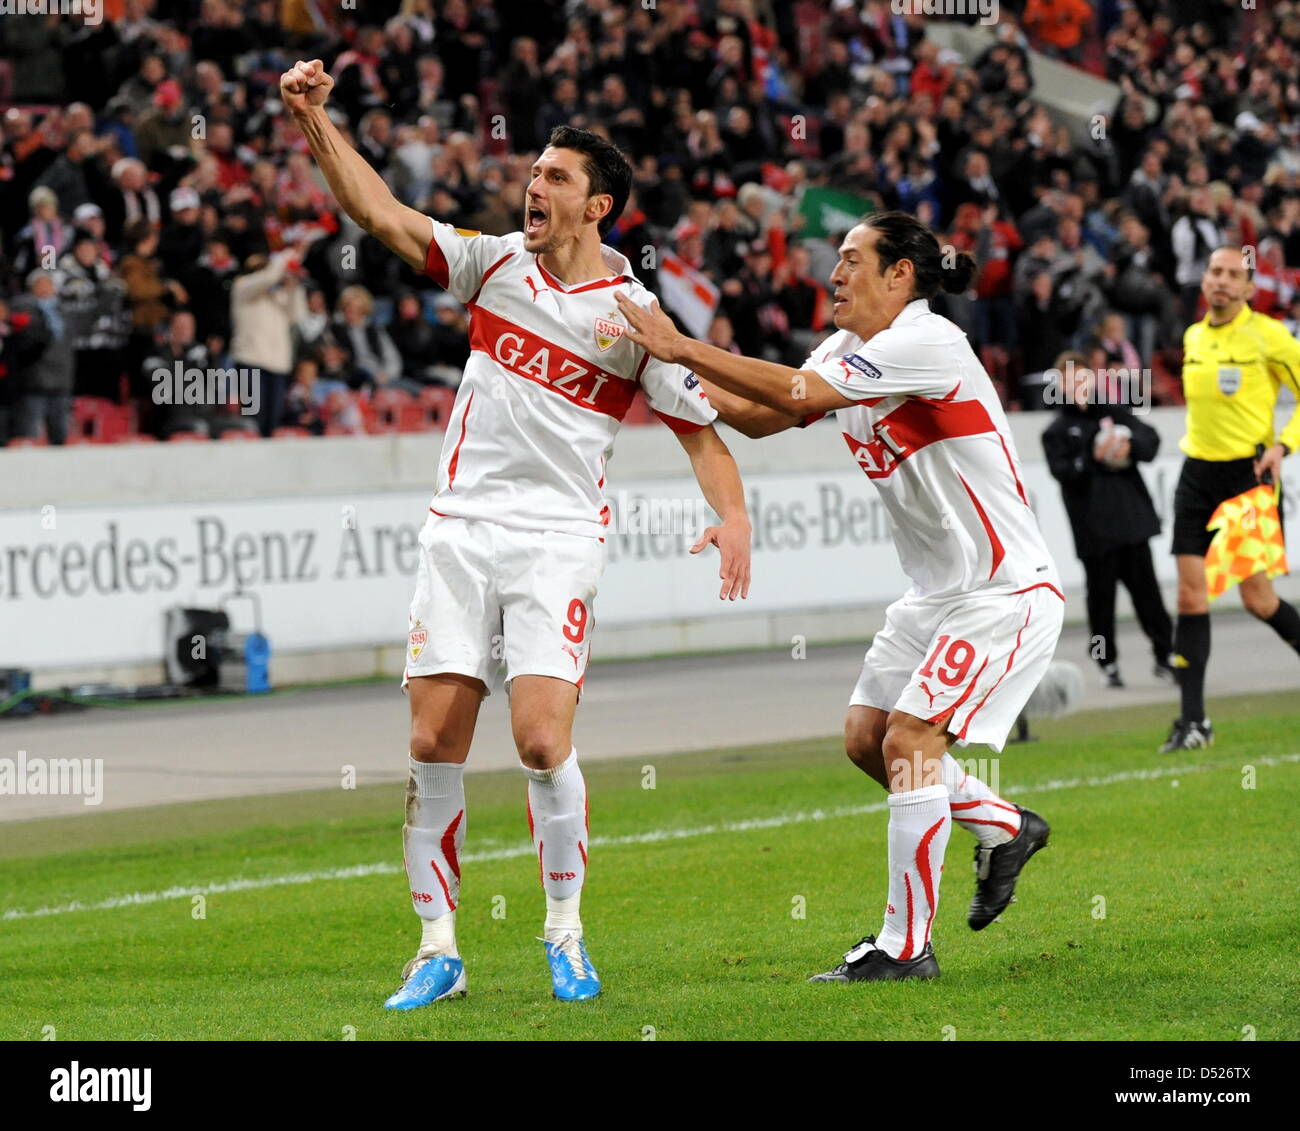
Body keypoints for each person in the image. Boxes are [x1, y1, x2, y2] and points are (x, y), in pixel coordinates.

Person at [280, 59, 753, 1007]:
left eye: (557, 178)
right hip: (460, 530)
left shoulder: (633, 318)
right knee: (431, 742)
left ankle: (566, 934)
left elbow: (702, 432)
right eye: (534, 171)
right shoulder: (491, 262)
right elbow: (382, 215)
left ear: (599, 206)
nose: (534, 186)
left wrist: (732, 515)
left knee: (540, 741)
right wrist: (313, 122)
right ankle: (437, 949)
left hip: (557, 540)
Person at [616, 211, 1065, 983]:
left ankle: (904, 946)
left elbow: (795, 388)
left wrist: (683, 343)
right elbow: (768, 415)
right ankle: (1004, 824)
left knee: (911, 743)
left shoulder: (927, 342)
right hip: (934, 594)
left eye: (853, 260)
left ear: (901, 275)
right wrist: (668, 379)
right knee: (867, 739)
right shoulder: (844, 349)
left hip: (1004, 587)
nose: (834, 273)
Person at [1161, 246, 1300, 751]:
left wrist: (1284, 444)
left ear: (1248, 288)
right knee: (1189, 595)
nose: (1220, 281)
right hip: (1197, 474)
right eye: (1214, 272)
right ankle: (1193, 721)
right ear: (1204, 282)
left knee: (1258, 600)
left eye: (1232, 275)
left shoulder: (1269, 336)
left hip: (1247, 476)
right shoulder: (1194, 336)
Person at [1041, 352, 1174, 688]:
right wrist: (1093, 456)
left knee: (1149, 597)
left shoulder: (1114, 413)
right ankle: (1106, 660)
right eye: (1071, 380)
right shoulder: (1056, 430)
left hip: (1132, 523)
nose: (1079, 386)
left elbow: (1151, 441)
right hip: (1094, 531)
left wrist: (1129, 448)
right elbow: (1063, 473)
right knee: (1102, 604)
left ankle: (1165, 653)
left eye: (1083, 378)